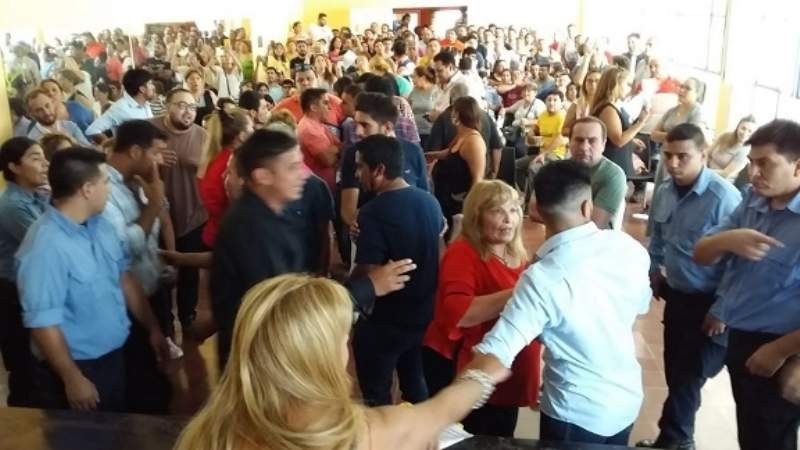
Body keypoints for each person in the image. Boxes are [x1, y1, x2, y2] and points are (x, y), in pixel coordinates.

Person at [174, 274, 510, 450]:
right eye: (342, 339)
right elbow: (438, 412)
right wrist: (481, 374)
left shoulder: (209, 432)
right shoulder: (350, 434)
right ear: (317, 357)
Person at [469, 159, 652, 445]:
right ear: (587, 207)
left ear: (537, 211)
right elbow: (641, 306)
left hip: (575, 410)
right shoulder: (628, 248)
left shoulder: (542, 278)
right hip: (626, 399)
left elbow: (497, 351)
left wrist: (439, 410)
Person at [210, 129, 416, 368]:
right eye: (292, 168)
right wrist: (369, 287)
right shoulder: (251, 228)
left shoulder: (276, 214)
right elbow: (290, 311)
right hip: (262, 360)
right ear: (263, 176)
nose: (302, 175)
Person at [16, 148, 170, 412]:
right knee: (84, 432)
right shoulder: (45, 247)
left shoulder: (101, 226)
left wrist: (153, 329)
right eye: (105, 182)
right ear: (87, 189)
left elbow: (124, 279)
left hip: (114, 355)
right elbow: (43, 323)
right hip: (78, 366)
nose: (109, 190)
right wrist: (72, 378)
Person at [693, 119, 800, 450]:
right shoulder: (753, 202)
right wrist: (729, 239)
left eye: (765, 164)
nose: (753, 173)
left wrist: (783, 352)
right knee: (751, 432)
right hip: (740, 336)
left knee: (773, 437)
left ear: (798, 167)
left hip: (782, 347)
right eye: (751, 162)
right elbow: (701, 254)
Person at [636, 124, 742, 450]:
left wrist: (722, 309)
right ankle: (679, 438)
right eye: (668, 155)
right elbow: (658, 236)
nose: (673, 163)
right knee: (675, 372)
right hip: (678, 296)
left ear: (703, 155)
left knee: (688, 377)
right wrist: (654, 270)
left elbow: (739, 263)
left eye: (683, 156)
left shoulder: (724, 198)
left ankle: (675, 441)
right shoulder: (665, 190)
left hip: (713, 304)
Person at [423, 180, 542, 436]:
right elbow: (460, 313)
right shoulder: (463, 253)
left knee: (502, 434)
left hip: (503, 371)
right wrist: (521, 292)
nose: (508, 219)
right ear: (477, 216)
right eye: (497, 211)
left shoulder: (516, 253)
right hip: (468, 367)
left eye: (513, 210)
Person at [352, 134, 444, 406]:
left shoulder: (373, 212)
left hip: (386, 321)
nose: (357, 174)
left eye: (360, 167)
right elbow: (440, 254)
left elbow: (370, 274)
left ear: (379, 170)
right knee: (416, 387)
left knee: (376, 395)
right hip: (423, 315)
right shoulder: (430, 202)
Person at [102, 120, 178, 414]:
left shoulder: (140, 180)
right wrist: (154, 203)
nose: (160, 160)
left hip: (151, 288)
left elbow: (155, 231)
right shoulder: (104, 188)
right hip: (127, 300)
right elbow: (125, 248)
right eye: (155, 153)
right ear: (135, 151)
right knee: (141, 381)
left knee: (160, 372)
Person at [151, 88, 209, 338]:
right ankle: (164, 323)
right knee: (158, 272)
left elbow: (214, 171)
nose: (188, 112)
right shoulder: (149, 130)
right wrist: (153, 158)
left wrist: (201, 165)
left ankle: (188, 316)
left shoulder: (203, 136)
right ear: (167, 105)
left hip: (193, 215)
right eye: (182, 105)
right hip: (156, 216)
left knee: (189, 270)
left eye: (192, 107)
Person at [339, 92, 429, 249]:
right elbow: (348, 209)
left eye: (365, 125)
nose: (358, 131)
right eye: (356, 124)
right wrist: (357, 225)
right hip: (370, 239)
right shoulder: (354, 155)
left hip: (411, 238)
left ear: (387, 127)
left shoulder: (413, 152)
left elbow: (425, 194)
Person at [0, 137, 49, 407]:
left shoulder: (38, 194)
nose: (44, 164)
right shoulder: (12, 205)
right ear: (14, 166)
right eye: (35, 158)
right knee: (24, 365)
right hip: (13, 293)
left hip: (30, 288)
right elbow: (48, 245)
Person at [429, 96, 488, 227]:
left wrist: (469, 208)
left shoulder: (473, 141)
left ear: (458, 114)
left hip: (461, 202)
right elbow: (450, 153)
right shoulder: (462, 134)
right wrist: (429, 155)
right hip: (449, 197)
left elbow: (478, 178)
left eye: (453, 110)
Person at [198, 109, 254, 248]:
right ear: (242, 136)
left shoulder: (212, 160)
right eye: (251, 128)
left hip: (213, 234)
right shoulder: (234, 165)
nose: (254, 131)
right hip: (230, 240)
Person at [591, 66, 650, 177]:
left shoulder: (614, 106)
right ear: (616, 85)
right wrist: (640, 123)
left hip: (618, 163)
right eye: (627, 84)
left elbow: (614, 135)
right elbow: (618, 140)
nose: (629, 89)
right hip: (613, 165)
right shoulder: (608, 109)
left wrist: (631, 141)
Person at [518, 90, 567, 205]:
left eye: (555, 100)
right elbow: (536, 128)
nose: (551, 103)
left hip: (556, 155)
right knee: (516, 166)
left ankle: (530, 203)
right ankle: (529, 193)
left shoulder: (562, 117)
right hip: (541, 154)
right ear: (545, 102)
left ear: (561, 103)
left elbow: (561, 139)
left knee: (533, 168)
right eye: (549, 100)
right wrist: (531, 133)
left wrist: (544, 154)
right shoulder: (543, 115)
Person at [85, 68, 155, 142]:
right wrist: (112, 146)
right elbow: (92, 131)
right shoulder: (120, 108)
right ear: (142, 89)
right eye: (150, 83)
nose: (153, 87)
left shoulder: (146, 105)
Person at [297, 88, 342, 191]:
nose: (329, 107)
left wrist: (334, 149)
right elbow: (328, 160)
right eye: (325, 103)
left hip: (326, 186)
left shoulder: (319, 124)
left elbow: (340, 145)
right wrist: (337, 149)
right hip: (320, 190)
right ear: (313, 107)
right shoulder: (309, 129)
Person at [273, 66, 344, 124]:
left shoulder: (333, 101)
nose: (305, 83)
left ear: (317, 80)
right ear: (295, 84)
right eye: (300, 80)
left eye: (309, 79)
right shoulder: (284, 106)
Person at [708, 115, 757, 183]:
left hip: (721, 181)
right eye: (743, 128)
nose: (745, 133)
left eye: (750, 131)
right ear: (738, 127)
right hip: (706, 172)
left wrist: (703, 171)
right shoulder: (725, 135)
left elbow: (725, 174)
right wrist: (702, 166)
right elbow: (707, 153)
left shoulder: (745, 150)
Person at [562, 69, 600, 137]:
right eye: (589, 81)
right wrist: (581, 131)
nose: (593, 84)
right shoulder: (576, 104)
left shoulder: (606, 103)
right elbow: (564, 130)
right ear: (585, 84)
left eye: (597, 81)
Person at [408, 65, 439, 148]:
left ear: (423, 78)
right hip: (415, 132)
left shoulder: (436, 91)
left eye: (414, 77)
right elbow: (408, 108)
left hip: (430, 132)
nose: (412, 80)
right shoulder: (414, 91)